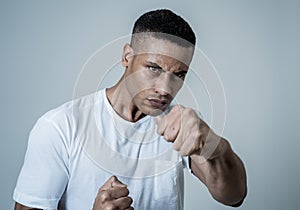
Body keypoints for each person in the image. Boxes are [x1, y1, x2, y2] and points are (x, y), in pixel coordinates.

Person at [14, 9, 247, 210]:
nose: (165, 89)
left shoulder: (181, 124)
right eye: (153, 68)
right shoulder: (60, 126)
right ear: (127, 56)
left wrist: (213, 144)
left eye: (179, 74)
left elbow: (233, 195)